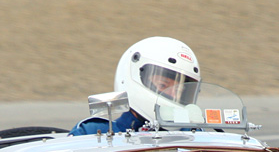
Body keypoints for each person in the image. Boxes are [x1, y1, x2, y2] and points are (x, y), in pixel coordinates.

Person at [70, 36, 201, 136]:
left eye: (180, 91)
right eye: (163, 85)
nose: (173, 95)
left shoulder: (194, 135)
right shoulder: (94, 132)